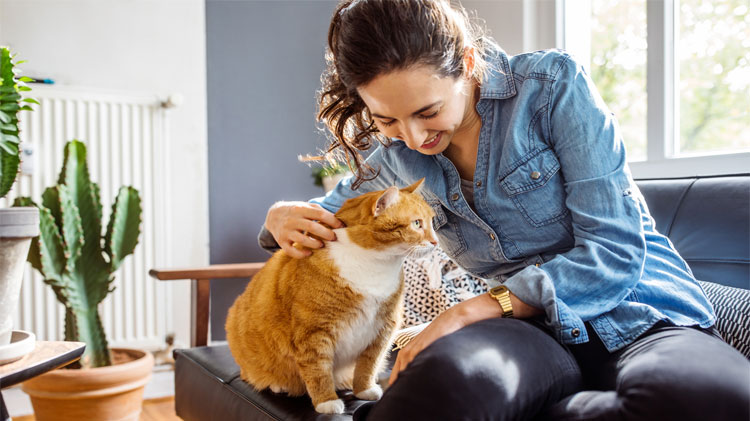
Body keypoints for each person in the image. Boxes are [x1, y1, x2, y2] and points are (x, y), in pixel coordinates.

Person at [259, 0, 750, 419]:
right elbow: (327, 210)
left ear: (468, 64)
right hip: (530, 335)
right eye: (387, 119)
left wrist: (468, 312)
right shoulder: (395, 156)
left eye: (427, 111)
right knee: (444, 390)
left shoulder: (552, 87)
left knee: (705, 399)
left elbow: (615, 249)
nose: (413, 137)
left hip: (642, 310)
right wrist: (281, 214)